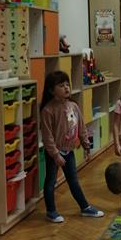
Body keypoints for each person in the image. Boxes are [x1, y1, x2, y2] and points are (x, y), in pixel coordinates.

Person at [40, 70, 104, 223]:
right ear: (51, 90)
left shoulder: (74, 106)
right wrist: (56, 155)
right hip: (54, 153)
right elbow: (47, 137)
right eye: (61, 85)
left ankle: (85, 207)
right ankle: (51, 211)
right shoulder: (48, 110)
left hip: (69, 151)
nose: (66, 87)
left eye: (67, 84)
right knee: (50, 182)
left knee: (73, 180)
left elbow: (81, 127)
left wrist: (86, 145)